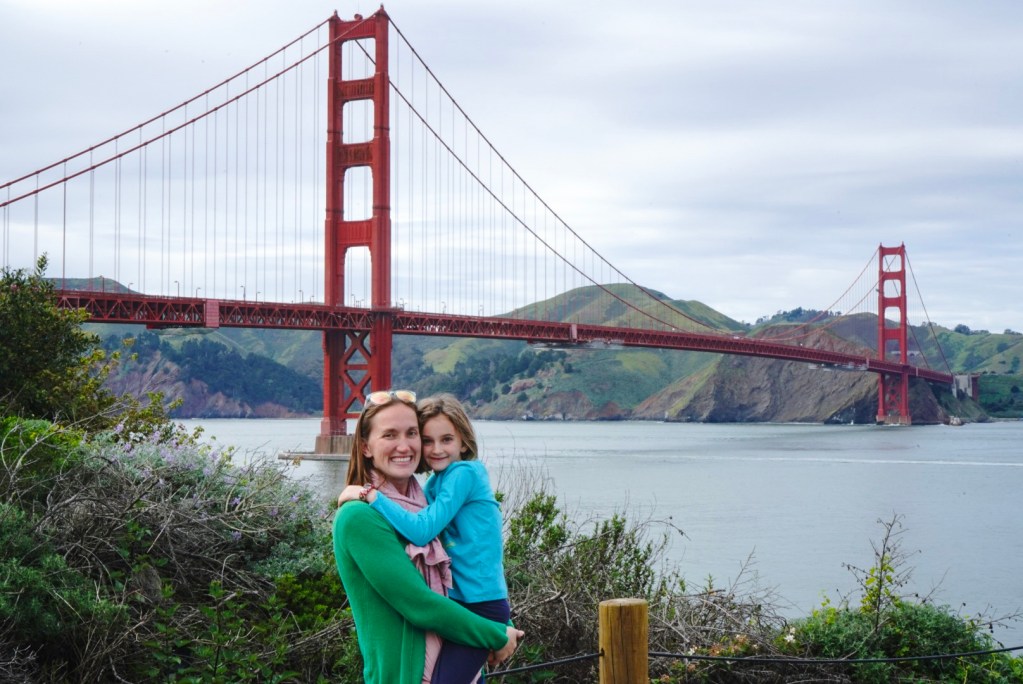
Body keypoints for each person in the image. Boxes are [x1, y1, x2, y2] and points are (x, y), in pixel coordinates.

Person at [332, 389, 522, 684]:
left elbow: (465, 566)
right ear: (366, 447)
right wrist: (495, 634)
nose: (404, 445)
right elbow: (419, 604)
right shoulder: (358, 516)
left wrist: (499, 621)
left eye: (411, 433)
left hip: (455, 656)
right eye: (389, 435)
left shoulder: (424, 504)